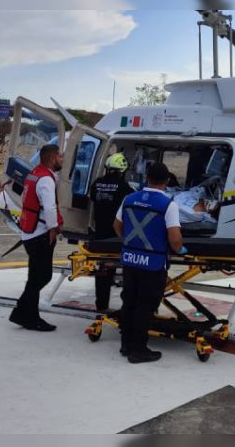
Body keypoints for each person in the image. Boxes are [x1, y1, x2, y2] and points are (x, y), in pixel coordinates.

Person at [113, 162, 185, 364]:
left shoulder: (129, 199)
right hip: (152, 263)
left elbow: (117, 225)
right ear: (167, 181)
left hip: (130, 259)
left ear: (147, 178)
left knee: (129, 301)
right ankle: (139, 350)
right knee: (146, 305)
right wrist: (178, 249)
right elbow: (175, 238)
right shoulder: (168, 205)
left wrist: (130, 242)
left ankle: (126, 344)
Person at [9, 144, 64, 331]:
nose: (62, 160)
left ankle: (24, 313)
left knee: (35, 276)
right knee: (42, 276)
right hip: (40, 234)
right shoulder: (46, 180)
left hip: (29, 232)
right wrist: (53, 229)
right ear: (52, 158)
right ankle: (27, 315)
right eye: (60, 157)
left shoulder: (35, 173)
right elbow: (49, 208)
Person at [89, 153, 134, 312]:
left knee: (103, 271)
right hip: (117, 236)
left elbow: (94, 201)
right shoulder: (124, 188)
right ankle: (128, 309)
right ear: (121, 171)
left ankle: (101, 306)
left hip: (100, 236)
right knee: (129, 272)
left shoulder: (96, 184)